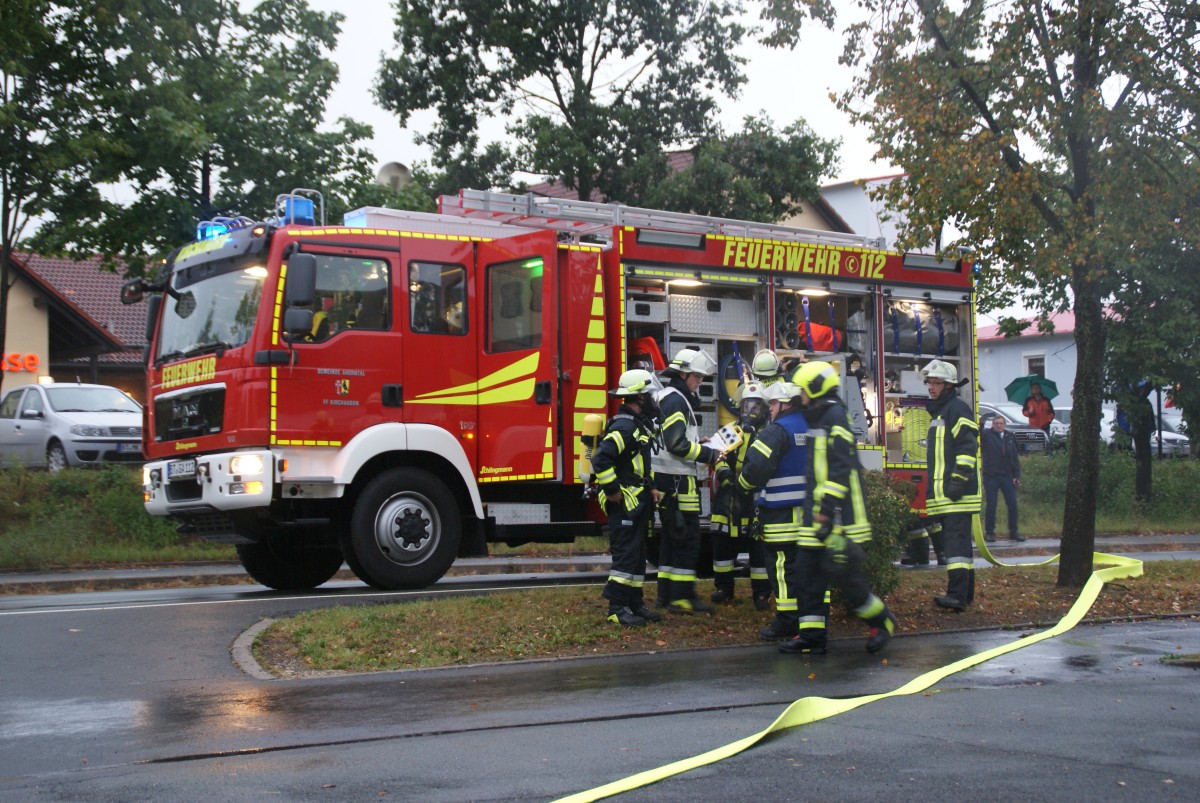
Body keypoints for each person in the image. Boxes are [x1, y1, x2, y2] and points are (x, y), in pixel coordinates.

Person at [780, 361, 898, 655]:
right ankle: (812, 636)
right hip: (818, 514)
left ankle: (882, 621)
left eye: (803, 390)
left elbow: (840, 468)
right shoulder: (818, 417)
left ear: (815, 389)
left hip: (840, 515)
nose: (799, 396)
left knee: (847, 578)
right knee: (807, 575)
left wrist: (825, 510)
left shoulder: (834, 417)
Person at [735, 381, 809, 642]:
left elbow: (754, 469)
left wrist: (741, 486)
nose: (770, 410)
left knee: (782, 568)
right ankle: (813, 621)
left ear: (786, 404)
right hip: (811, 517)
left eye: (774, 404)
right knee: (808, 569)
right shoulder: (813, 427)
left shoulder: (777, 431)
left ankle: (787, 622)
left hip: (782, 516)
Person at [590, 369, 664, 627]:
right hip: (624, 503)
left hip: (637, 500)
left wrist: (651, 486)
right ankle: (617, 608)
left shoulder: (637, 425)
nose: (653, 400)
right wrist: (612, 490)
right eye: (650, 395)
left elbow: (638, 462)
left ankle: (634, 603)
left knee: (637, 554)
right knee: (626, 556)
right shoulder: (625, 427)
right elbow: (601, 459)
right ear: (640, 398)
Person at [653, 348, 721, 614]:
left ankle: (666, 595)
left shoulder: (668, 397)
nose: (700, 382)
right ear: (683, 374)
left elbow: (675, 440)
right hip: (678, 484)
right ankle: (682, 597)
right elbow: (676, 444)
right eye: (697, 377)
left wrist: (698, 443)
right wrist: (709, 454)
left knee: (671, 541)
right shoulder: (676, 400)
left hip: (669, 483)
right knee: (687, 541)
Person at [921, 359, 982, 613]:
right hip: (949, 495)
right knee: (961, 549)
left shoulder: (957, 409)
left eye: (936, 383)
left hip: (956, 494)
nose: (931, 387)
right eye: (929, 382)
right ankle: (964, 594)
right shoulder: (942, 412)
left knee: (955, 548)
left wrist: (957, 482)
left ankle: (956, 596)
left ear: (948, 385)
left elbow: (968, 449)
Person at [711, 383, 772, 609]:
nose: (750, 411)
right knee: (722, 543)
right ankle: (723, 588)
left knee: (758, 546)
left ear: (764, 409)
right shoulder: (730, 430)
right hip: (728, 498)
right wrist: (724, 474)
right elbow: (717, 456)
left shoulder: (768, 434)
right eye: (746, 406)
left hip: (755, 497)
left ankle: (762, 593)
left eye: (755, 407)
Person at [981, 415, 1023, 542]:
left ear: (1004, 424)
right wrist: (981, 423)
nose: (999, 425)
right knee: (991, 504)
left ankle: (1013, 532)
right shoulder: (987, 435)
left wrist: (1016, 475)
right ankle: (990, 532)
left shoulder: (1009, 436)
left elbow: (1014, 457)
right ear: (993, 424)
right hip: (991, 475)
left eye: (1001, 423)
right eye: (996, 423)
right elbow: (978, 434)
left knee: (1012, 503)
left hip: (1007, 475)